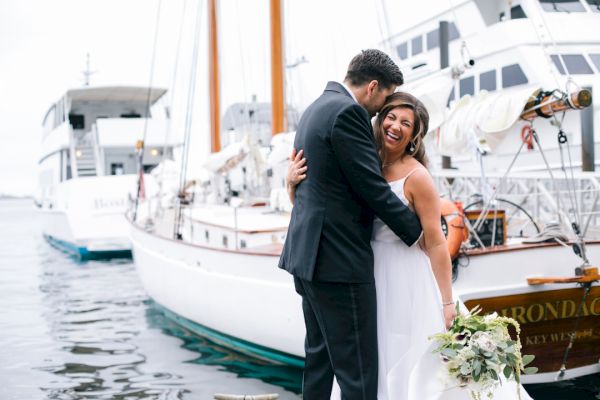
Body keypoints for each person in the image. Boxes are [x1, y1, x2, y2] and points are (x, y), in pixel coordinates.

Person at [287, 92, 534, 400]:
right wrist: (291, 184)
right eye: (391, 117)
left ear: (414, 135)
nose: (395, 126)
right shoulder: (363, 164)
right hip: (366, 271)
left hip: (405, 278)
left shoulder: (418, 177)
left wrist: (447, 303)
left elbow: (435, 243)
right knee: (367, 357)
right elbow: (322, 209)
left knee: (407, 357)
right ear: (379, 120)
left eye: (406, 123)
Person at [277, 49, 423, 399]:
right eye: (386, 98)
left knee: (320, 361)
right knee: (358, 373)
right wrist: (419, 232)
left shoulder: (315, 109)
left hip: (308, 259)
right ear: (373, 86)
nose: (381, 111)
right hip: (338, 263)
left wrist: (289, 186)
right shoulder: (348, 113)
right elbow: (371, 187)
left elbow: (323, 185)